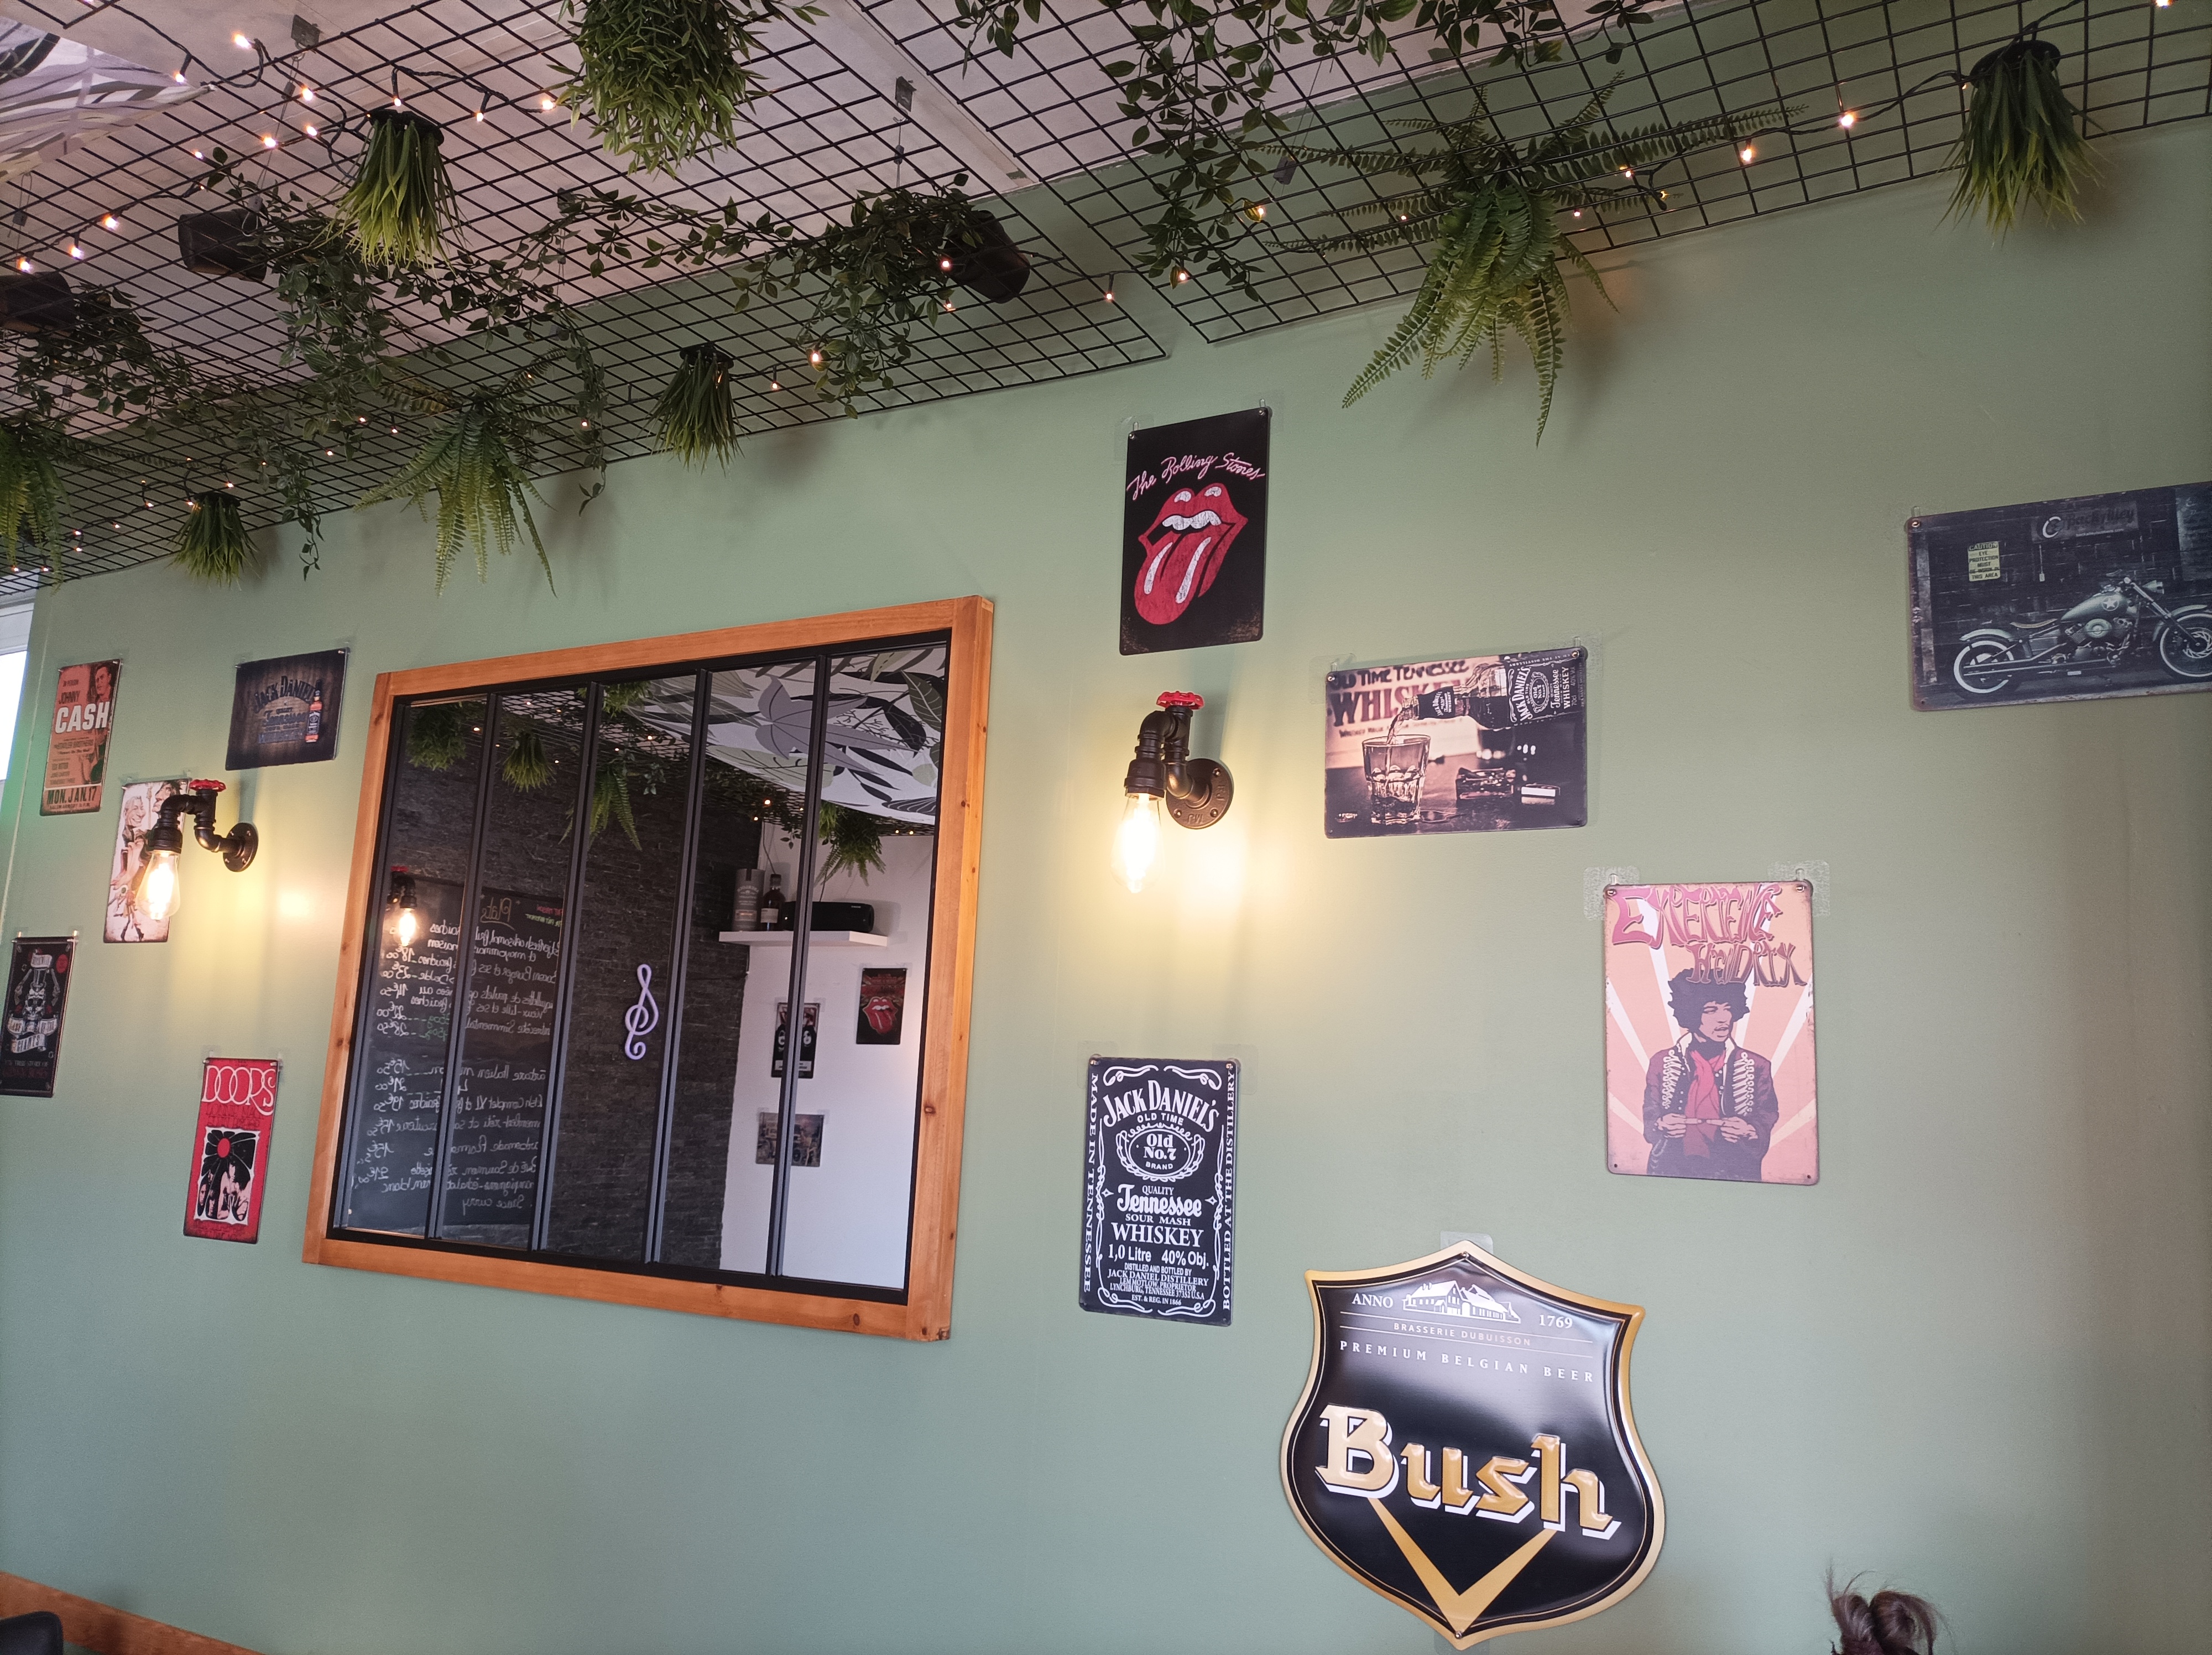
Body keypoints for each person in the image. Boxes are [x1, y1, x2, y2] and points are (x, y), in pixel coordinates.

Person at [1641, 970, 1778, 1182]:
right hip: (1671, 1169)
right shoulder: (1662, 1061)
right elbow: (1651, 1113)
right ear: (1692, 1014)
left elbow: (1768, 1114)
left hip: (1736, 1170)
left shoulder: (1757, 1065)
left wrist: (1751, 1131)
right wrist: (1661, 1124)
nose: (1724, 1019)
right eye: (1711, 1010)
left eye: (1728, 1008)